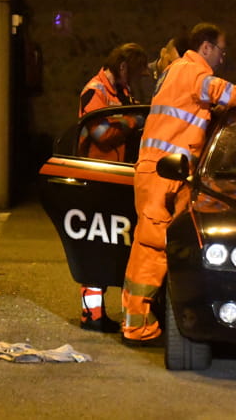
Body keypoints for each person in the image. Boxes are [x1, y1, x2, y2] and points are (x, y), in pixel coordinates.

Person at [121, 22, 236, 345]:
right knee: (153, 248)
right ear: (206, 47)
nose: (223, 58)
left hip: (165, 173)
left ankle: (138, 321)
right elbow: (223, 92)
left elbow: (203, 106)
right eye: (221, 51)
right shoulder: (189, 71)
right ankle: (137, 327)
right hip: (163, 175)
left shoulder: (178, 73)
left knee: (153, 247)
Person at [76, 42, 149, 333]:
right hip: (97, 178)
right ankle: (91, 316)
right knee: (97, 247)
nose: (134, 79)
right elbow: (101, 134)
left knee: (116, 246)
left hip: (117, 177)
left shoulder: (121, 91)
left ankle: (107, 313)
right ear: (122, 67)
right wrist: (134, 120)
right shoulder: (96, 90)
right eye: (133, 72)